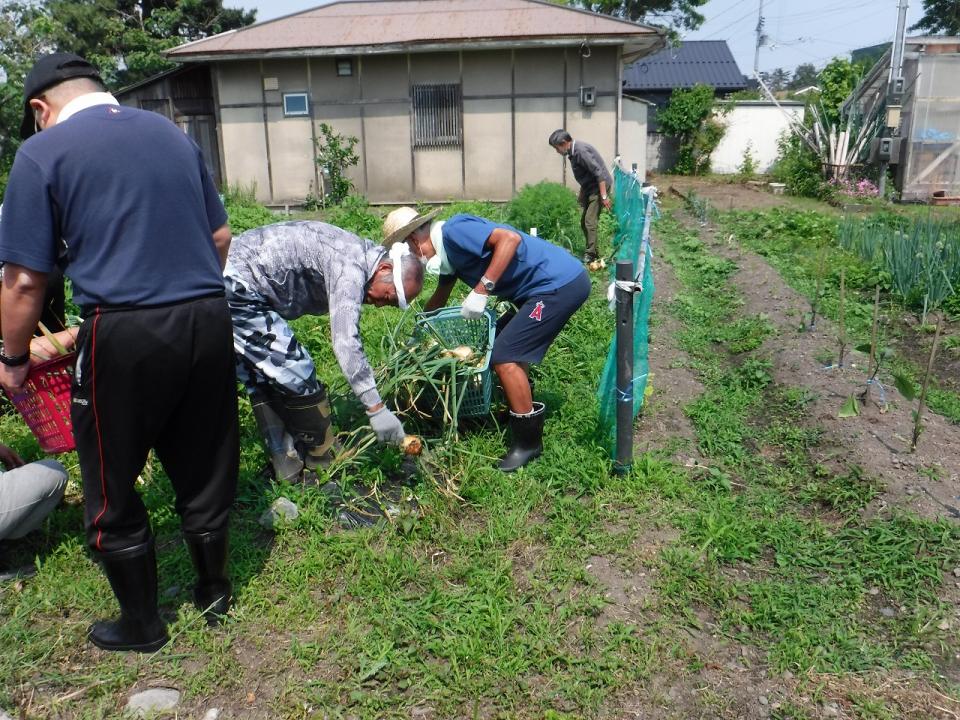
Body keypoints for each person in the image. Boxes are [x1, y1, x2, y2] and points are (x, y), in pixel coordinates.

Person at [0, 52, 239, 653]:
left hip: (125, 330)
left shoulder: (41, 152)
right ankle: (214, 591)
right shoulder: (169, 133)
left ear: (40, 108)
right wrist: (185, 296)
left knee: (110, 476)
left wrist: (12, 358)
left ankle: (143, 624)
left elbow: (25, 280)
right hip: (209, 316)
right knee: (204, 454)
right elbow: (219, 235)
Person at [383, 207, 590, 472]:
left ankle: (528, 443)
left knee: (505, 356)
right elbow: (439, 298)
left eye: (409, 253)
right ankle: (518, 409)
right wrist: (419, 331)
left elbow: (509, 240)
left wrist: (483, 289)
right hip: (538, 290)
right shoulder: (449, 256)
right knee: (503, 342)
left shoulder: (455, 232)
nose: (413, 260)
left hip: (557, 286)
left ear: (413, 241)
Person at [225, 220, 425, 483]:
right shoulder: (350, 267)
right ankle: (323, 456)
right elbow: (345, 341)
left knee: (262, 377)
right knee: (297, 368)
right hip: (238, 284)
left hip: (231, 278)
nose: (378, 305)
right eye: (386, 297)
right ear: (384, 268)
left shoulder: (359, 259)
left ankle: (286, 463)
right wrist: (376, 409)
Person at [548, 129, 614, 263]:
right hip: (590, 187)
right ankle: (594, 251)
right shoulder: (573, 152)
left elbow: (599, 173)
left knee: (589, 221)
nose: (557, 151)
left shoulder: (580, 152)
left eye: (556, 148)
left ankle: (590, 254)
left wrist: (604, 196)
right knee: (584, 223)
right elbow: (586, 175)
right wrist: (583, 194)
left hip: (599, 186)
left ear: (564, 143)